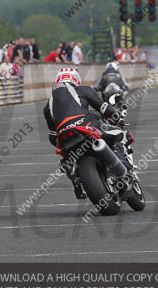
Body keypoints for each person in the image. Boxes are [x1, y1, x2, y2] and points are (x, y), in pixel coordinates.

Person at [42, 67, 130, 199]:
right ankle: (124, 168)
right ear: (76, 79)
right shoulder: (84, 89)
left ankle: (75, 179)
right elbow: (104, 108)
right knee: (120, 134)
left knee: (65, 158)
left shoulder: (48, 105)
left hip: (65, 137)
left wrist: (62, 146)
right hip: (87, 127)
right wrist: (118, 118)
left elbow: (52, 136)